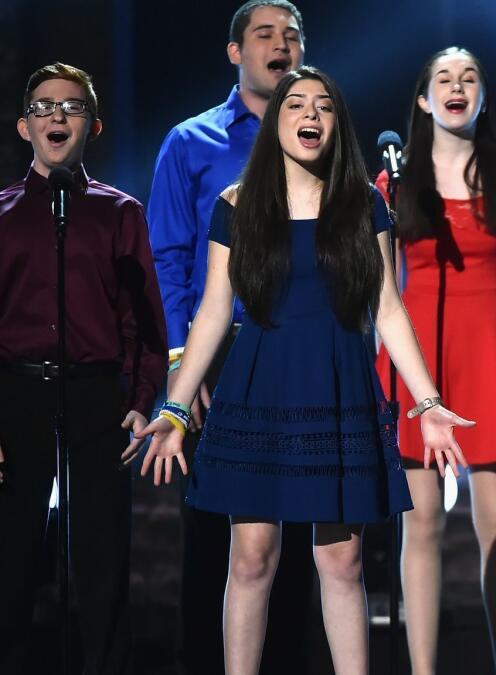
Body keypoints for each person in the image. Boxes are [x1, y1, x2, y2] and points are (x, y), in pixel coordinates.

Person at [137, 66, 473, 675]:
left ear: (337, 124)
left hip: (337, 384)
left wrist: (427, 403)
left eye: (324, 105)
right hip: (259, 384)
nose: (310, 115)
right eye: (296, 104)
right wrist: (176, 405)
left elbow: (388, 309)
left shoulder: (363, 204)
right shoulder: (236, 205)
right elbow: (214, 311)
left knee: (341, 563)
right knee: (252, 556)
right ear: (278, 122)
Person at [145, 2, 313, 671]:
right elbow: (167, 257)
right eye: (265, 34)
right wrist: (188, 366)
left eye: (292, 36)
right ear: (235, 51)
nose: (281, 45)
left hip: (303, 352)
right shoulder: (193, 142)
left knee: (300, 542)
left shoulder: (320, 137)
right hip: (223, 355)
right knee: (220, 541)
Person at [372, 46, 496, 675]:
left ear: (483, 98)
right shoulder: (395, 180)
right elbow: (382, 288)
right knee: (422, 528)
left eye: (469, 77)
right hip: (418, 355)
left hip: (490, 353)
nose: (457, 86)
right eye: (443, 78)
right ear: (423, 99)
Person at [0, 62, 167, 675]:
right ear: (24, 126)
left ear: (92, 125)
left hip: (97, 395)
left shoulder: (118, 212)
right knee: (12, 562)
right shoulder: (4, 214)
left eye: (70, 107)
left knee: (100, 563)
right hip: (16, 394)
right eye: (43, 106)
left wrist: (142, 397)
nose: (56, 116)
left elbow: (143, 317)